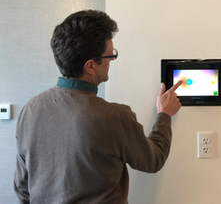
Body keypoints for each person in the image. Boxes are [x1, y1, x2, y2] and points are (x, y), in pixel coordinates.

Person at [14, 10, 184, 203]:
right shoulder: (114, 116)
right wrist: (164, 114)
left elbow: (22, 186)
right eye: (110, 55)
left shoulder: (30, 109)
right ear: (90, 66)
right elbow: (153, 160)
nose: (112, 60)